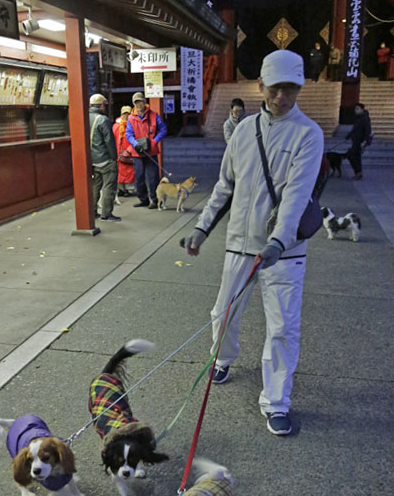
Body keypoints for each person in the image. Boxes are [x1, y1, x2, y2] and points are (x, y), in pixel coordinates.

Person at [183, 49, 323, 436]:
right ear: (260, 86)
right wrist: (202, 228)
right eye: (275, 88)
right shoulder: (244, 131)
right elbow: (224, 185)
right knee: (222, 313)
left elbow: (296, 195)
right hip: (240, 245)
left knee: (282, 328)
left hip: (284, 252)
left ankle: (276, 400)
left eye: (290, 89)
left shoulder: (308, 134)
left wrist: (278, 241)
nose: (282, 97)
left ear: (299, 88)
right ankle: (223, 358)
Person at [125, 92, 167, 209]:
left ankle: (155, 200)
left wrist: (154, 141)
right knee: (139, 177)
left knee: (153, 177)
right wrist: (135, 144)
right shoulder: (131, 118)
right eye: (136, 102)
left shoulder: (153, 115)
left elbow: (163, 130)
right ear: (134, 104)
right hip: (137, 152)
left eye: (140, 101)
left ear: (144, 102)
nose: (139, 104)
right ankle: (143, 199)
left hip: (151, 151)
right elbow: (128, 134)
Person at [88, 93, 121, 222]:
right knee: (109, 186)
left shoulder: (85, 118)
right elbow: (109, 141)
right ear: (101, 105)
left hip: (92, 159)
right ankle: (106, 214)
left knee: (95, 186)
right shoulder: (103, 119)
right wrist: (114, 158)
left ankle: (92, 212)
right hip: (105, 159)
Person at [112, 106, 136, 197]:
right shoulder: (116, 126)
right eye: (124, 114)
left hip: (128, 153)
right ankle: (122, 189)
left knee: (129, 172)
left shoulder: (133, 126)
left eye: (128, 113)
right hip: (118, 153)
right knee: (120, 172)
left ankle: (128, 190)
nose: (126, 115)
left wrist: (129, 150)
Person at [345, 103, 371, 181]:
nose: (355, 110)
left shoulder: (365, 118)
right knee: (355, 156)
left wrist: (365, 141)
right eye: (355, 109)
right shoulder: (358, 118)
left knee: (352, 155)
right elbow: (355, 129)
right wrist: (348, 136)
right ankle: (358, 173)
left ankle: (358, 172)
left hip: (360, 142)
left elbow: (368, 130)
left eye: (357, 109)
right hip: (355, 140)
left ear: (362, 109)